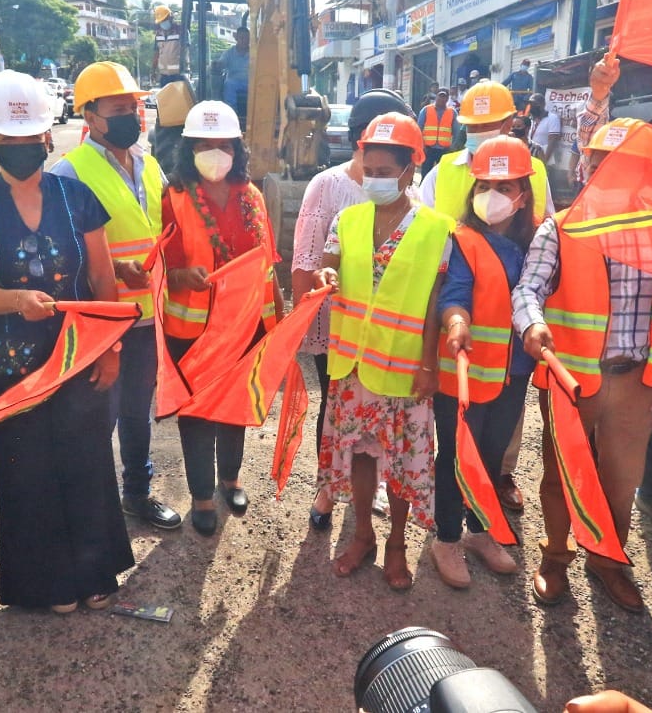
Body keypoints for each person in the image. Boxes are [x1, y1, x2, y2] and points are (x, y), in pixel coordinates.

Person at [0, 70, 134, 613]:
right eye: (8, 142)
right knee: (25, 469)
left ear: (47, 139)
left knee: (85, 460)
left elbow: (103, 281)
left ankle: (94, 571)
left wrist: (111, 347)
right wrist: (16, 301)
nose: (22, 151)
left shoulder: (77, 197)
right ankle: (48, 583)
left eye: (32, 141)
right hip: (11, 365)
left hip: (78, 354)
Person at [513, 118, 652, 614]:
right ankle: (557, 557)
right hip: (572, 382)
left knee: (622, 479)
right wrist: (531, 325)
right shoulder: (559, 228)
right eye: (599, 162)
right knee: (559, 474)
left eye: (622, 165)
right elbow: (529, 289)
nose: (607, 173)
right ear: (586, 165)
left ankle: (608, 560)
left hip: (635, 382)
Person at [315, 113, 451, 591]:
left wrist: (430, 364)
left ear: (409, 171)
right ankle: (363, 535)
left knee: (400, 459)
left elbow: (436, 300)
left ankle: (396, 543)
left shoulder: (437, 229)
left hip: (404, 369)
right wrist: (325, 276)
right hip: (352, 365)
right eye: (366, 170)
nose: (373, 179)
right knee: (359, 456)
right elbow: (328, 262)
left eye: (383, 171)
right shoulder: (347, 219)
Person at [49, 61, 182, 531]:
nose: (132, 114)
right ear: (89, 115)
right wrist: (111, 271)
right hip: (102, 320)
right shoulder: (70, 173)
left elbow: (162, 230)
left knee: (136, 412)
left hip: (148, 316)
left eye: (135, 106)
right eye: (119, 108)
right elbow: (59, 256)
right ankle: (88, 504)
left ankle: (137, 494)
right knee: (96, 417)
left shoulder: (148, 164)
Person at [294, 89, 413, 531]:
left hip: (390, 335)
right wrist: (302, 328)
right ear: (361, 138)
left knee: (384, 411)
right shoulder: (328, 186)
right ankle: (328, 487)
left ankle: (371, 484)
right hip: (339, 331)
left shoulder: (413, 195)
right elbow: (308, 259)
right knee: (334, 409)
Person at [162, 101, 283, 536]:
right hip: (191, 330)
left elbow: (266, 262)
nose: (215, 152)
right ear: (189, 148)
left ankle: (230, 479)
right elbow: (161, 264)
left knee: (235, 406)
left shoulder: (251, 196)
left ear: (237, 148)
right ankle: (201, 497)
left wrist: (278, 322)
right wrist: (181, 275)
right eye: (205, 145)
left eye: (223, 144)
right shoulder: (173, 197)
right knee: (196, 414)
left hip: (245, 325)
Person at [431, 136, 539, 589]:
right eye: (483, 185)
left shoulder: (537, 240)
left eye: (504, 186)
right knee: (456, 456)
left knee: (491, 456)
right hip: (465, 371)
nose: (491, 195)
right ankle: (446, 537)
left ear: (522, 196)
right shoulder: (463, 240)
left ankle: (479, 530)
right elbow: (454, 294)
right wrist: (457, 322)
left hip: (513, 373)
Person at [420, 79, 554, 223]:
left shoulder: (534, 170)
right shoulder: (441, 172)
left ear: (508, 124)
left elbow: (548, 226)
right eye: (472, 126)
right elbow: (421, 223)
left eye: (486, 125)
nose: (478, 132)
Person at [417, 88, 458, 172]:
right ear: (436, 97)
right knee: (425, 174)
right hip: (428, 149)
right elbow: (418, 130)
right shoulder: (426, 110)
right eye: (440, 96)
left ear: (447, 99)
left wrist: (452, 148)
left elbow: (457, 132)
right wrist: (422, 146)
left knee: (443, 174)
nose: (442, 99)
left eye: (444, 97)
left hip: (444, 150)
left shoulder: (452, 112)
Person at [219, 25, 251, 118]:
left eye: (247, 38)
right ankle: (232, 114)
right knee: (229, 84)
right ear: (236, 38)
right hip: (235, 82)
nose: (244, 40)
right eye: (242, 38)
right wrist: (217, 65)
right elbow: (221, 63)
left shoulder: (255, 53)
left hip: (251, 83)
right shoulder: (229, 53)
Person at [152, 5, 185, 86]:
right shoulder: (158, 35)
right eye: (161, 21)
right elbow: (157, 54)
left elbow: (185, 50)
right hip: (164, 77)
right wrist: (153, 70)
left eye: (165, 20)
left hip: (178, 76)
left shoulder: (180, 31)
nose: (163, 23)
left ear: (171, 18)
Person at [525, 92, 561, 161]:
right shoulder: (531, 119)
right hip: (530, 156)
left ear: (543, 105)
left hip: (545, 156)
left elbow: (552, 141)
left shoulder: (552, 118)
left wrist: (545, 160)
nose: (532, 106)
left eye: (535, 104)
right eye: (531, 104)